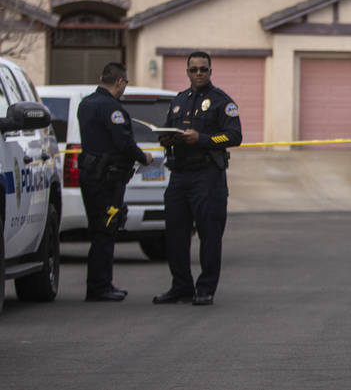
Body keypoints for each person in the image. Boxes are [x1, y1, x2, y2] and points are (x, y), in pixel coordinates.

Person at [153, 51, 241, 306]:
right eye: (194, 69)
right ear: (187, 71)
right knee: (176, 233)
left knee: (209, 234)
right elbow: (168, 129)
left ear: (211, 71)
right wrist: (166, 139)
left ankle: (205, 289)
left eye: (203, 69)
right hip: (179, 175)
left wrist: (202, 139)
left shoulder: (221, 102)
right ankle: (180, 286)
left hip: (208, 177)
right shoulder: (179, 101)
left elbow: (234, 136)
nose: (199, 73)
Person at [76, 62, 152, 302]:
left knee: (99, 230)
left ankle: (99, 284)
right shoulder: (111, 108)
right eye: (125, 84)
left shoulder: (86, 104)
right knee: (106, 230)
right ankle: (100, 287)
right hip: (107, 181)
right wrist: (144, 157)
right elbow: (123, 143)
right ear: (120, 82)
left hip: (92, 177)